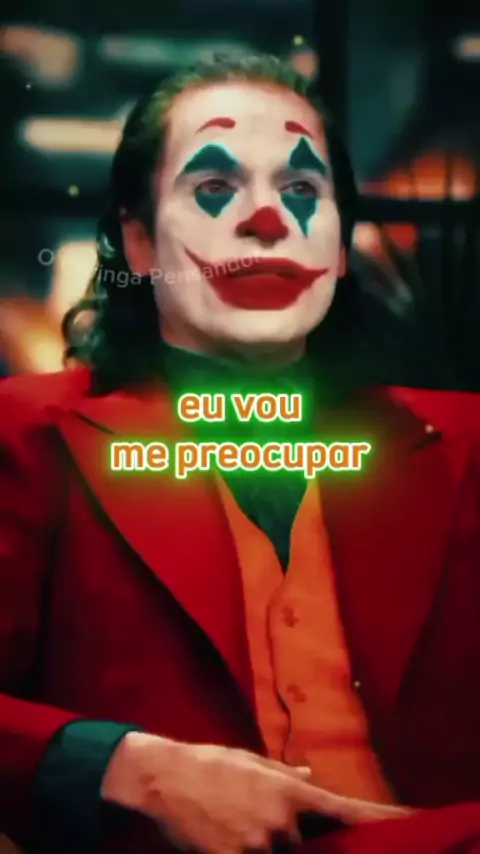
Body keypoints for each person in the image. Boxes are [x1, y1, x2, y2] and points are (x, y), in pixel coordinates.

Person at [0, 52, 479, 854]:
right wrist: (126, 766)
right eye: (214, 186)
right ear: (139, 242)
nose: (267, 219)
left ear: (338, 248)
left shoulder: (463, 444)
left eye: (303, 192)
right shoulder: (29, 434)